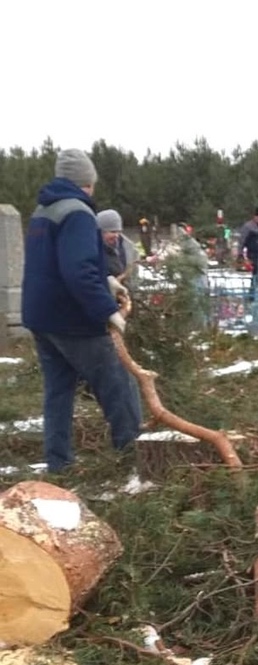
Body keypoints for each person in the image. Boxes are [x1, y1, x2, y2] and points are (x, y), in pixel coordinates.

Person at [21, 149, 142, 473]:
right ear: (87, 180)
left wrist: (105, 279)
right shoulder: (78, 213)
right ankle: (133, 459)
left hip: (41, 316)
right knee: (118, 381)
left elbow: (57, 262)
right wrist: (107, 310)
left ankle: (58, 464)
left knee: (58, 392)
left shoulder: (44, 209)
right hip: (71, 319)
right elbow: (76, 270)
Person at [97, 209, 139, 289]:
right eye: (112, 231)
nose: (116, 235)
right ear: (100, 232)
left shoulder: (129, 249)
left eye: (119, 231)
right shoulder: (92, 250)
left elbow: (133, 277)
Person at [240, 207, 258, 299]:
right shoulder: (248, 227)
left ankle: (257, 293)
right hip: (253, 254)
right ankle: (252, 294)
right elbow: (242, 241)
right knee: (256, 273)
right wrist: (240, 254)